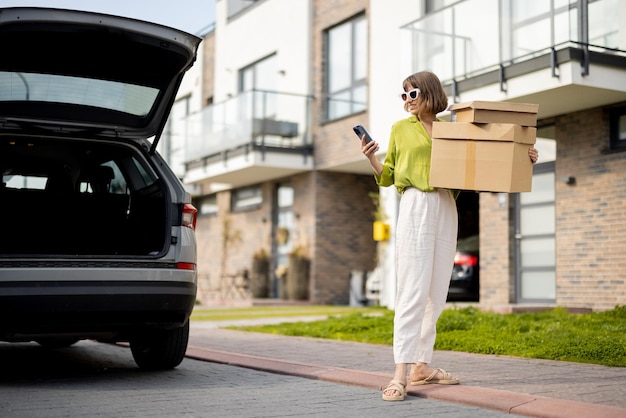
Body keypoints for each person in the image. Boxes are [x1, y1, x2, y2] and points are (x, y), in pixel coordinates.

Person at [359, 71, 539, 402]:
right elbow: (388, 177)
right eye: (403, 96)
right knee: (412, 289)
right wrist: (372, 157)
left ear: (428, 94)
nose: (406, 101)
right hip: (416, 204)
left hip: (446, 206)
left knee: (437, 291)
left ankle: (422, 366)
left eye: (411, 94)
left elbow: (486, 163)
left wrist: (523, 157)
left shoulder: (453, 130)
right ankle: (400, 372)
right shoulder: (401, 130)